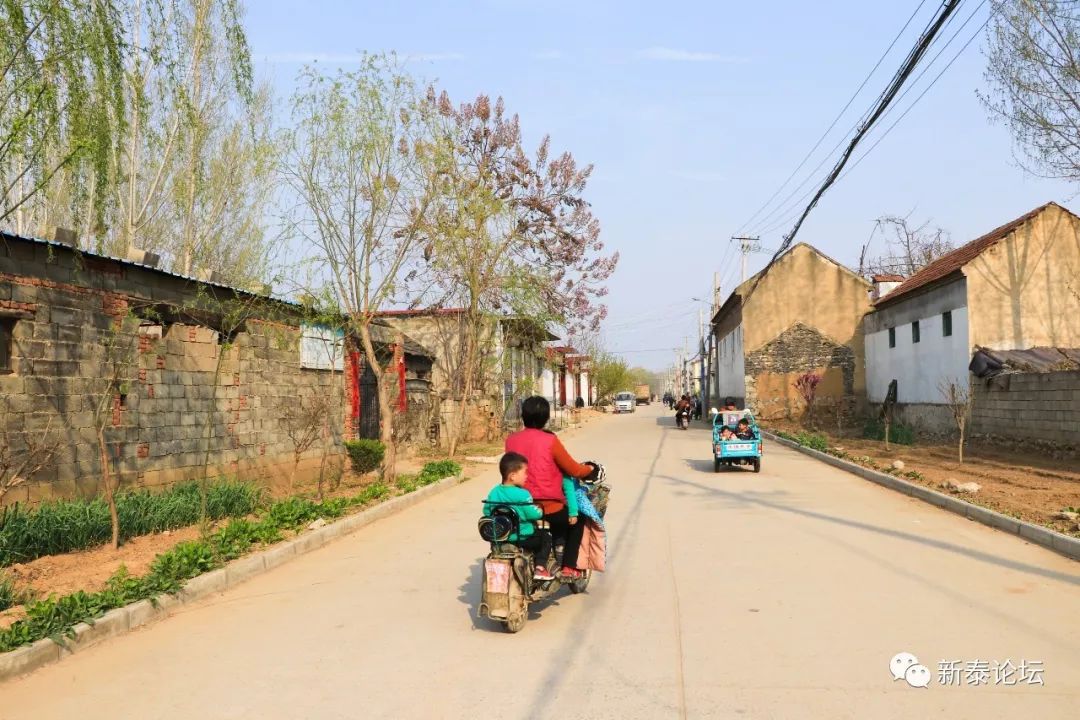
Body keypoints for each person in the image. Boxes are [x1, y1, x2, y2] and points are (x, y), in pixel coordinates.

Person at [505, 396, 597, 580]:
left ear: (523, 415)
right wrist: (590, 469)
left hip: (517, 506)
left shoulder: (511, 440)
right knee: (579, 520)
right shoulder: (550, 440)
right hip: (548, 508)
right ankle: (569, 567)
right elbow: (573, 469)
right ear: (545, 418)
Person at [483, 452, 554, 580]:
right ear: (512, 476)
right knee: (546, 537)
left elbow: (486, 511)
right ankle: (540, 568)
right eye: (525, 472)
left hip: (500, 537)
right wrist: (539, 511)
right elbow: (532, 514)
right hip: (523, 537)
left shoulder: (494, 492)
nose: (527, 476)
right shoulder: (523, 494)